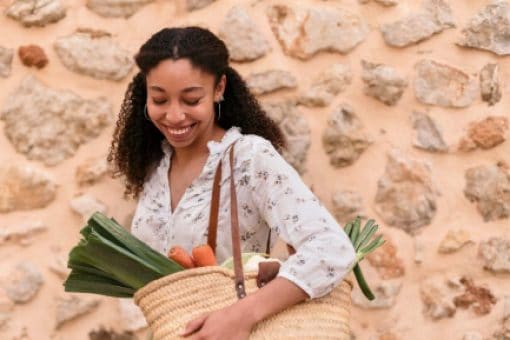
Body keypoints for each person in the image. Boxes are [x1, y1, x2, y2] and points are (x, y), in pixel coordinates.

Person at [107, 26, 356, 340]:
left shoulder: (249, 158)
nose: (173, 115)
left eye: (191, 99)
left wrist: (241, 315)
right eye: (159, 99)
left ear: (219, 88)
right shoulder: (155, 166)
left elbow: (332, 249)